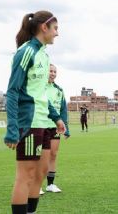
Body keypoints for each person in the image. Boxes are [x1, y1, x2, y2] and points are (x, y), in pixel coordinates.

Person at [4, 10, 66, 214]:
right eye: (55, 28)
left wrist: (56, 117)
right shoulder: (26, 51)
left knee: (40, 173)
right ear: (44, 27)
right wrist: (12, 129)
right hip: (28, 122)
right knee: (26, 175)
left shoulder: (44, 55)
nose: (57, 33)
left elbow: (40, 94)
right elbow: (13, 92)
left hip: (43, 122)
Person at [40, 64, 70, 195]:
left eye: (54, 71)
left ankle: (50, 184)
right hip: (41, 125)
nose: (52, 73)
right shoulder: (39, 87)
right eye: (50, 71)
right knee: (41, 156)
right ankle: (37, 185)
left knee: (53, 154)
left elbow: (63, 110)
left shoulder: (59, 90)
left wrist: (65, 127)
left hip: (55, 127)